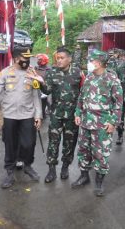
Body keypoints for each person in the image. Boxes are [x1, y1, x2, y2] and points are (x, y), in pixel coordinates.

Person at [0, 48, 42, 189]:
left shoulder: (32, 73)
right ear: (17, 58)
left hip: (27, 115)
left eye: (29, 58)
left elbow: (36, 96)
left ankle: (27, 165)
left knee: (29, 143)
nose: (27, 61)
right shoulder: (5, 73)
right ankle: (10, 171)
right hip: (10, 115)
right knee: (10, 143)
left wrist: (38, 115)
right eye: (25, 58)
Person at [71, 49, 123, 197]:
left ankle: (99, 182)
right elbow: (81, 98)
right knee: (83, 151)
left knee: (101, 154)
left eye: (91, 60)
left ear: (99, 63)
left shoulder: (112, 79)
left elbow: (118, 104)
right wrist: (77, 113)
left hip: (102, 124)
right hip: (86, 122)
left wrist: (113, 122)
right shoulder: (88, 77)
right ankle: (84, 176)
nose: (88, 63)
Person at [32, 47, 85, 183]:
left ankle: (65, 167)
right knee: (53, 142)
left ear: (69, 59)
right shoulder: (52, 72)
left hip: (72, 115)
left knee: (69, 142)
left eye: (62, 58)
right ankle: (51, 170)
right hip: (56, 113)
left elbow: (83, 93)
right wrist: (40, 82)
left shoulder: (78, 73)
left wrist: (81, 112)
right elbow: (47, 91)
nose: (59, 60)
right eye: (57, 58)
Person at [35, 54, 50, 118]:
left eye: (39, 60)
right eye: (38, 59)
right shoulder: (36, 68)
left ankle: (43, 114)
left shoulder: (48, 70)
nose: (38, 61)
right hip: (36, 88)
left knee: (44, 102)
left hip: (44, 89)